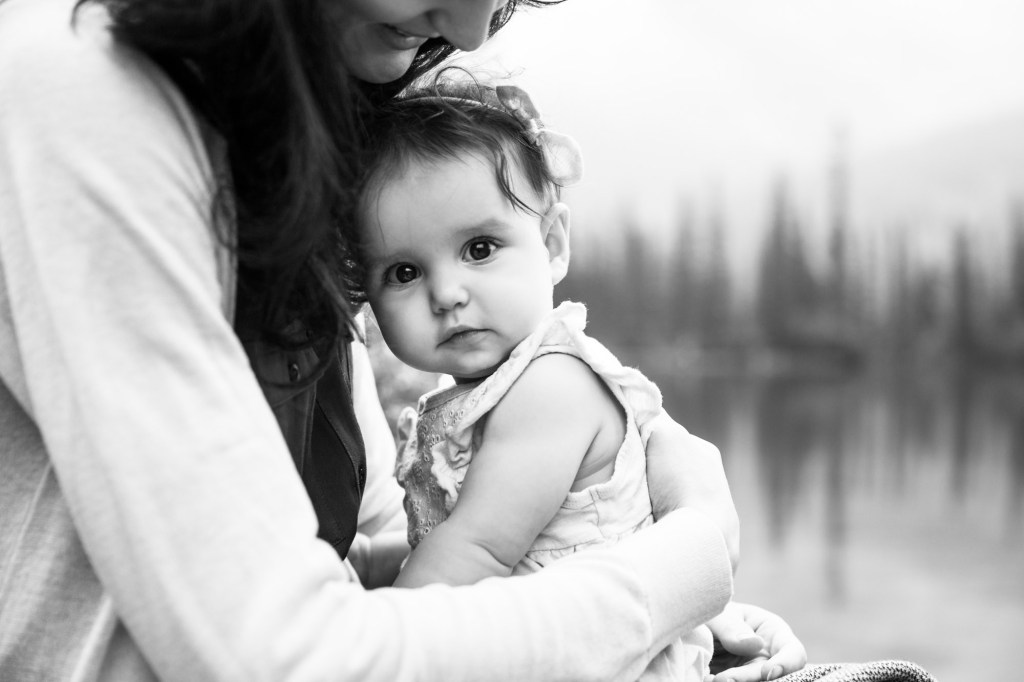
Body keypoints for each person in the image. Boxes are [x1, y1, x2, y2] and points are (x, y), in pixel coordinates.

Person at [0, 0, 806, 680]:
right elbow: (296, 658)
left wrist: (633, 601)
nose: (470, 29)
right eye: (402, 273)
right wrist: (681, 567)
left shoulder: (288, 137)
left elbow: (379, 553)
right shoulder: (83, 96)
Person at [352, 77, 747, 682]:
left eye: (480, 249)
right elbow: (441, 538)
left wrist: (363, 636)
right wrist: (354, 567)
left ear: (553, 243)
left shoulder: (550, 386)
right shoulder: (478, 394)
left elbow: (478, 549)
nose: (447, 294)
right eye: (404, 271)